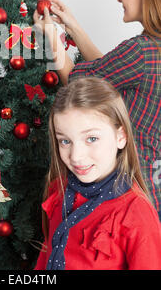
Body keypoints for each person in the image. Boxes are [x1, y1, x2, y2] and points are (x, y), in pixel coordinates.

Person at [33, 0, 161, 219]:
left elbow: (82, 87)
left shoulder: (141, 51)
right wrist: (74, 28)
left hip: (133, 185)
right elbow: (109, 75)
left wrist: (52, 40)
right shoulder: (149, 54)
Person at [34, 77, 161, 270]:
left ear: (121, 137)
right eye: (65, 141)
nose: (76, 157)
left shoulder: (137, 213)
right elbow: (46, 255)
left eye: (91, 138)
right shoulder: (58, 189)